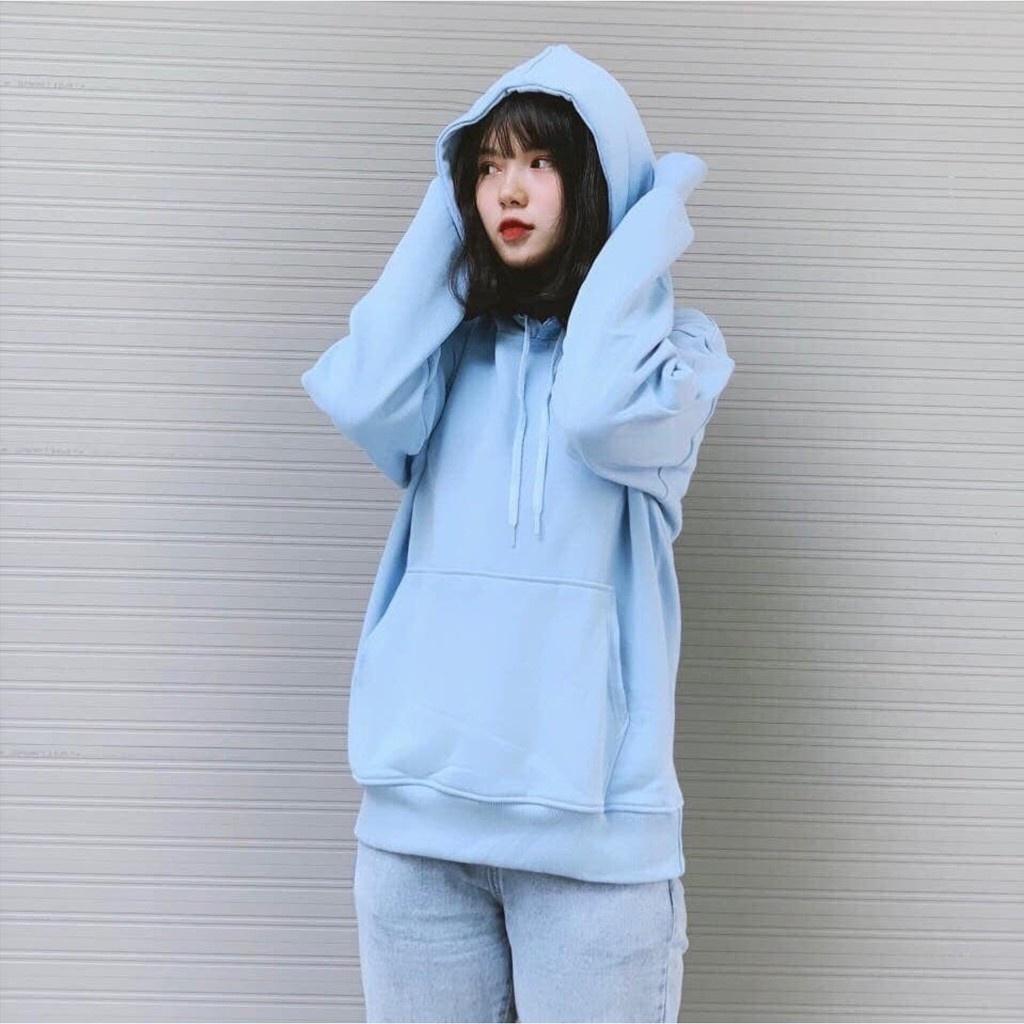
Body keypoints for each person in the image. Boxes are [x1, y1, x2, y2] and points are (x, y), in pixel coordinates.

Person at [301, 43, 736, 1024]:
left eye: (541, 163)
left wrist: (639, 221)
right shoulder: (439, 360)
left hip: (593, 857)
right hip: (418, 844)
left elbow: (594, 413)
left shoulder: (675, 363)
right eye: (489, 165)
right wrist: (445, 207)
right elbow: (359, 390)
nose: (510, 188)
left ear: (593, 181)